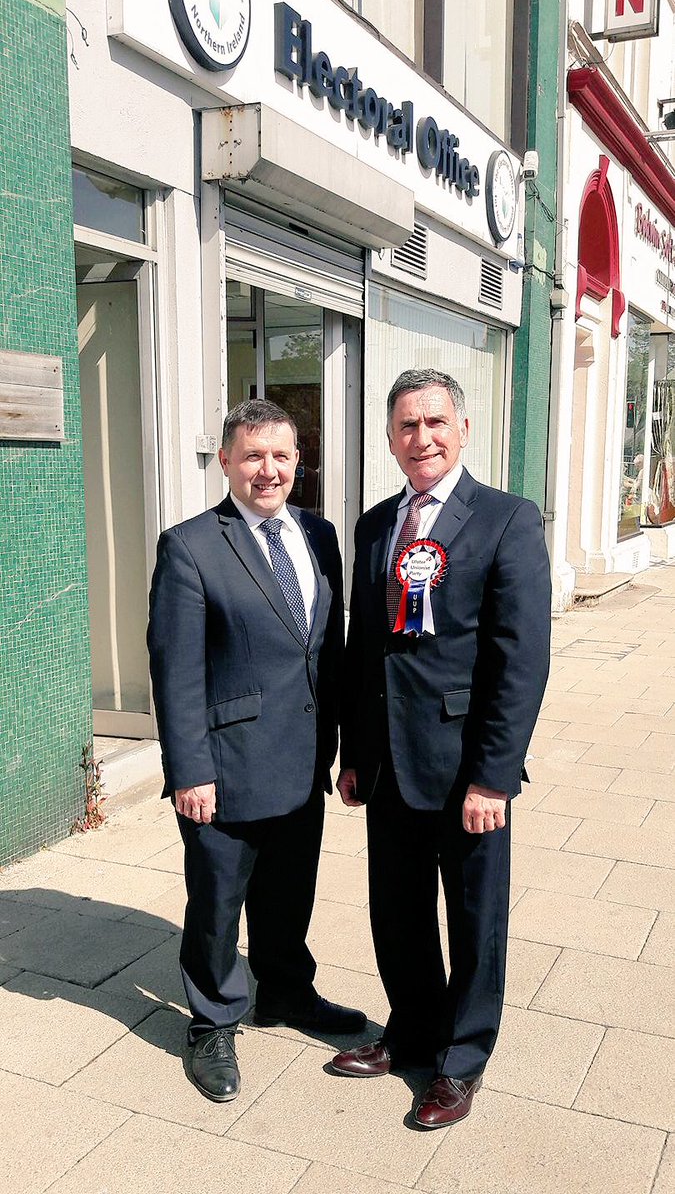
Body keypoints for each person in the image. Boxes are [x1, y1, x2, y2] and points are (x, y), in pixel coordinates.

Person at [332, 369, 551, 1128]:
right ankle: (411, 1031)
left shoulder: (506, 519)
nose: (420, 438)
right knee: (396, 913)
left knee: (473, 919)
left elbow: (520, 660)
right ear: (390, 439)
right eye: (406, 426)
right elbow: (363, 649)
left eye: (434, 423)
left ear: (462, 429)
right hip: (388, 763)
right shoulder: (374, 526)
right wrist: (354, 752)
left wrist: (494, 776)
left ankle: (461, 1059)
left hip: (465, 768)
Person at [148, 399, 365, 1103]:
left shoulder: (319, 534)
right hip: (225, 767)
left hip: (303, 760)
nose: (267, 470)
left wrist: (346, 749)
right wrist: (190, 770)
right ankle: (212, 1020)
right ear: (226, 461)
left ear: (298, 461)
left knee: (288, 892)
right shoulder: (189, 546)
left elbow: (328, 648)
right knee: (218, 902)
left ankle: (285, 992)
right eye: (252, 456)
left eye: (280, 456)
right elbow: (175, 672)